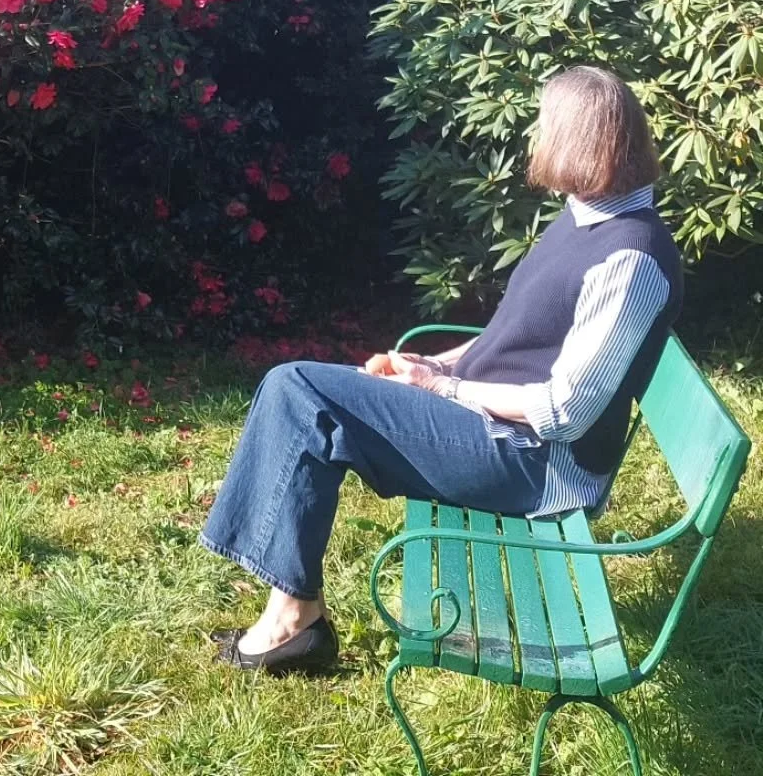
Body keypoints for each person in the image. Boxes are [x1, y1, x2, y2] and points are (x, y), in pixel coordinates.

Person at [201, 66, 682, 675]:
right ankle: (292, 615)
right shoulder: (585, 220)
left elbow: (565, 411)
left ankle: (293, 621)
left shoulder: (630, 258)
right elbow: (517, 338)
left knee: (300, 392)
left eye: (544, 125)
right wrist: (430, 362)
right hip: (502, 431)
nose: (534, 138)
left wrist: (442, 386)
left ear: (576, 141)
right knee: (301, 395)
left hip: (533, 467)